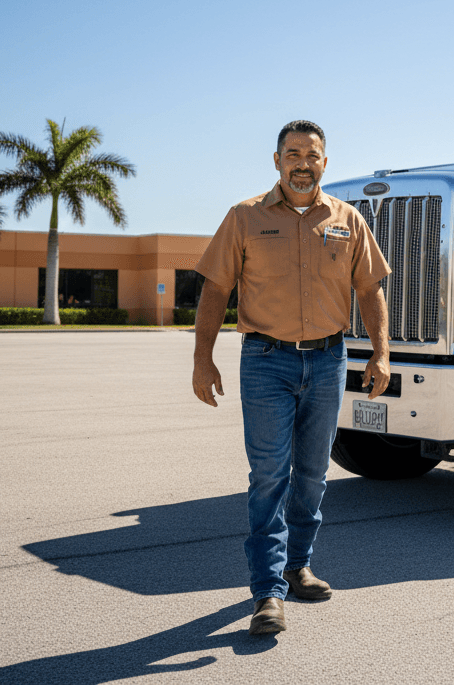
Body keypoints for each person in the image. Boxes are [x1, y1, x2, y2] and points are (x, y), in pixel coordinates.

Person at [191, 120, 392, 635]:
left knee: (312, 476)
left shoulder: (348, 220)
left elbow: (370, 290)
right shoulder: (244, 217)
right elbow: (216, 290)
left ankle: (298, 564)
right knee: (269, 476)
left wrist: (381, 355)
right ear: (277, 160)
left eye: (313, 154)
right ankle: (267, 591)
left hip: (327, 362)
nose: (303, 162)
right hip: (265, 361)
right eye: (293, 153)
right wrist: (202, 358)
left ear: (326, 162)